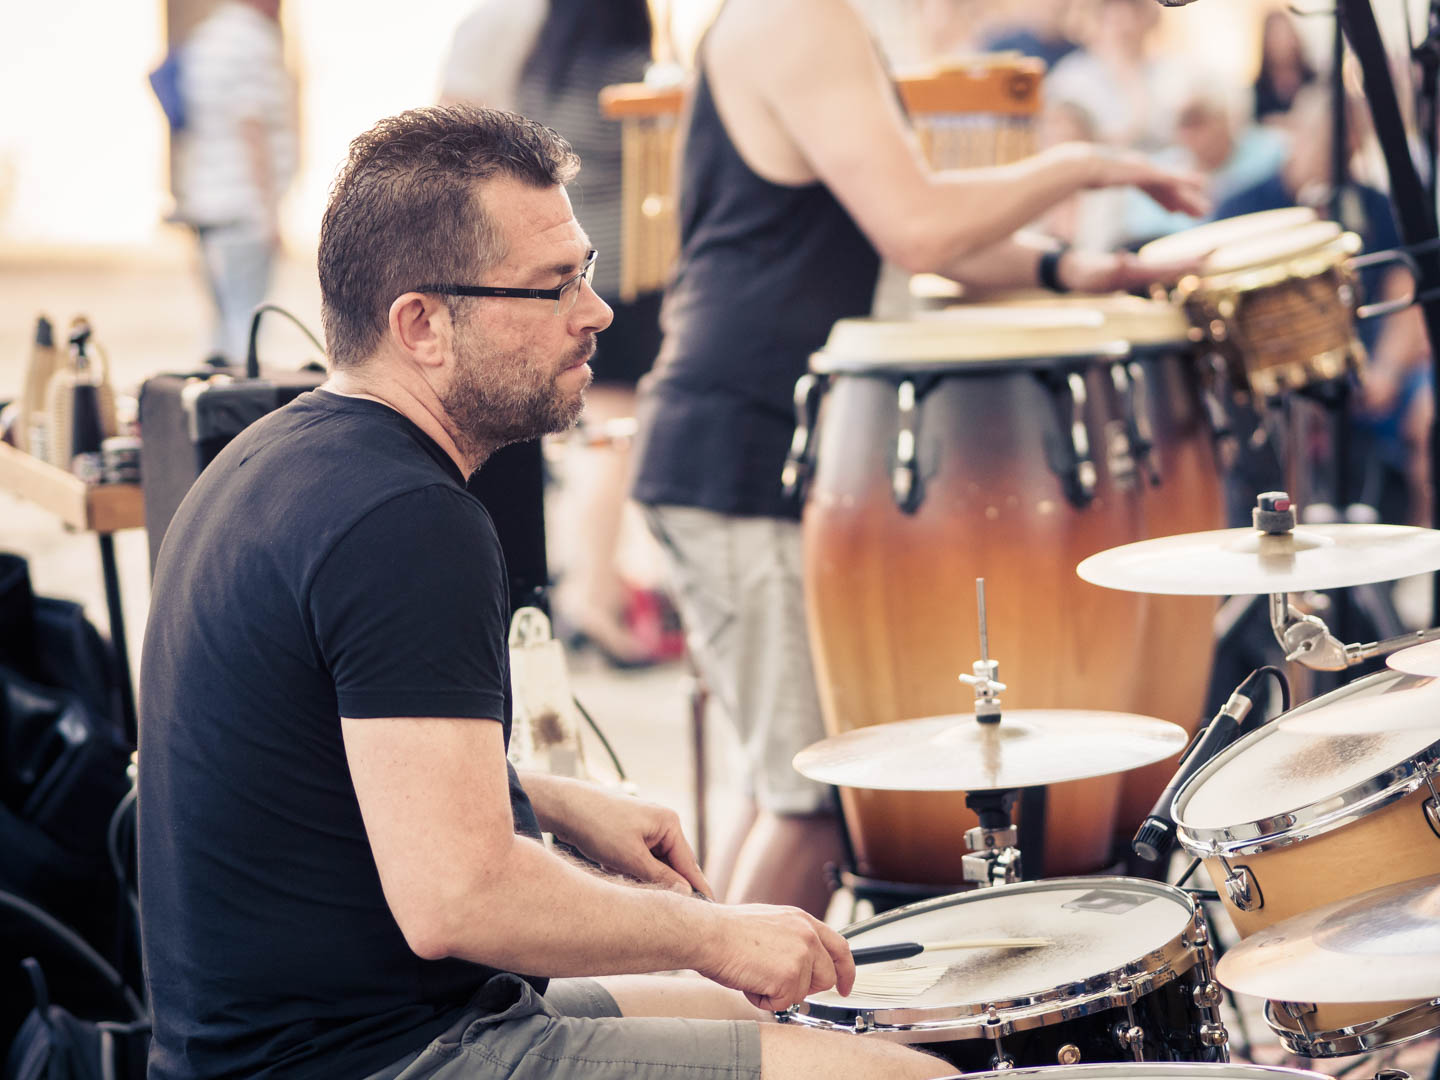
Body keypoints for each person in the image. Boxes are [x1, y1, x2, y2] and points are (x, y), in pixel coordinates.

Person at [137, 105, 974, 1080]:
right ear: (422, 326)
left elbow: (308, 763)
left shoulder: (273, 457)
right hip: (374, 1056)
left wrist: (550, 801)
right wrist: (712, 933)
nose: (598, 310)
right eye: (553, 286)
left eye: (582, 270)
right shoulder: (407, 522)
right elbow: (463, 900)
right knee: (909, 1078)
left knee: (821, 1025)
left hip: (339, 1029)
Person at [630, 0, 1208, 918]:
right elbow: (919, 229)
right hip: (742, 445)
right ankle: (727, 1044)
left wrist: (1064, 270)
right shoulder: (796, 19)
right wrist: (1080, 163)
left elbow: (900, 233)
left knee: (790, 789)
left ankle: (715, 1024)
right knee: (818, 805)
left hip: (756, 441)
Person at [438, 0, 672, 666]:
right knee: (611, 442)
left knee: (586, 443)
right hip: (623, 280)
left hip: (560, 277)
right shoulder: (634, 79)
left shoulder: (543, 74)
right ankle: (591, 598)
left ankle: (583, 586)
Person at [170, 0, 297, 365]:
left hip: (207, 201)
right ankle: (237, 415)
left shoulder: (208, 37)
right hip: (243, 207)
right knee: (247, 328)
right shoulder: (252, 40)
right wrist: (270, 213)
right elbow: (251, 127)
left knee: (221, 329)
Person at [1253, 9, 1317, 124]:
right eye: (1274, 35)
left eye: (1283, 33)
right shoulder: (1259, 89)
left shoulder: (1314, 80)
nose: (1280, 42)